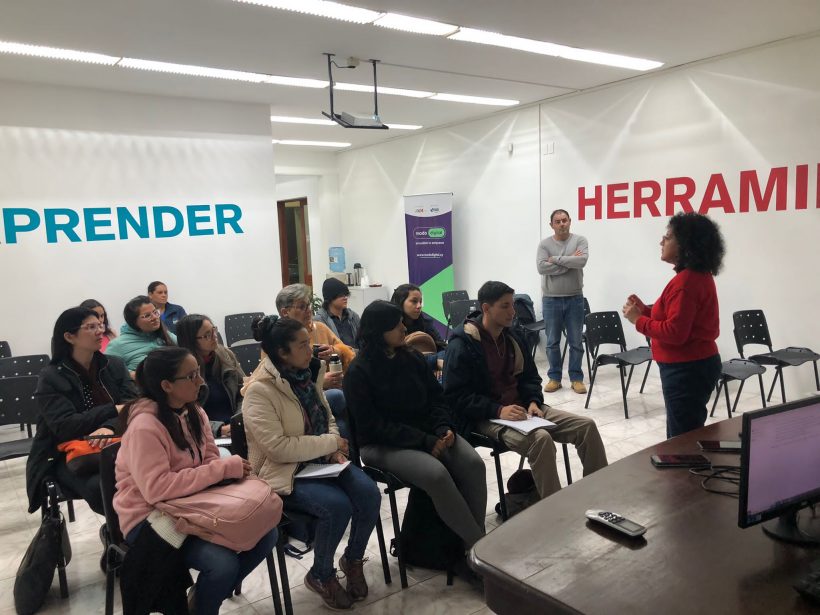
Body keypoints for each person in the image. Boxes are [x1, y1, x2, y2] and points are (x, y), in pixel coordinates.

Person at [114, 347, 277, 615]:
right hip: (152, 518)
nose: (200, 381)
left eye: (198, 372)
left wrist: (222, 471)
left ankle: (203, 601)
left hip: (193, 503)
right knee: (222, 564)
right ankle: (205, 606)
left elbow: (211, 458)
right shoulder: (145, 426)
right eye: (191, 376)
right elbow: (157, 489)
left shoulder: (195, 412)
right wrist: (221, 470)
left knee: (267, 531)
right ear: (166, 385)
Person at [242, 316, 380, 611]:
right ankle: (321, 574)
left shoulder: (308, 374)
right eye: (303, 345)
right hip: (284, 472)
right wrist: (331, 443)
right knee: (336, 506)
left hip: (321, 462)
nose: (312, 349)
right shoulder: (259, 391)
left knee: (368, 493)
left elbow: (327, 417)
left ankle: (353, 559)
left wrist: (333, 448)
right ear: (282, 353)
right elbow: (278, 449)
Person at [344, 301, 487, 563]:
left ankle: (471, 546)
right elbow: (372, 426)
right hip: (382, 444)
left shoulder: (411, 358)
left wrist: (443, 427)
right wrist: (424, 441)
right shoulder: (358, 371)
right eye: (396, 324)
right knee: (436, 474)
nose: (404, 328)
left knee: (473, 464)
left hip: (426, 433)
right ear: (378, 331)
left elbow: (437, 399)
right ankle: (480, 549)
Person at [444, 281, 608, 500]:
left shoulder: (513, 336)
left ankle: (600, 495)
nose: (513, 312)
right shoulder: (462, 344)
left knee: (586, 427)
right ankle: (556, 512)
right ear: (486, 308)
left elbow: (530, 377)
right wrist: (498, 410)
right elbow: (455, 397)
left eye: (512, 305)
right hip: (486, 416)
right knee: (541, 440)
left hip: (524, 409)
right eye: (505, 306)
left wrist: (532, 401)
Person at [26, 306, 137, 515]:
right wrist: (112, 409)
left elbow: (133, 407)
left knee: (144, 476)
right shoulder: (51, 377)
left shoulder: (113, 365)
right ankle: (119, 532)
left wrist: (109, 427)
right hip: (70, 453)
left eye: (100, 325)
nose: (100, 331)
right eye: (91, 327)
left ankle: (134, 529)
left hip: (117, 442)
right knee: (103, 487)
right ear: (69, 336)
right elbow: (66, 426)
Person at [622, 212, 725, 438]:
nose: (661, 241)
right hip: (695, 366)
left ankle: (683, 464)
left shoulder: (685, 282)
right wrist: (645, 311)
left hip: (686, 370)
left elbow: (675, 333)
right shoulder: (696, 276)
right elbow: (676, 319)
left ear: (685, 245)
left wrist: (638, 320)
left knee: (681, 440)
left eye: (668, 237)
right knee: (688, 433)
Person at [275, 283, 354, 440]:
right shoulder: (276, 339)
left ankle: (347, 448)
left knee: (345, 411)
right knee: (337, 398)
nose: (309, 310)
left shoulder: (319, 328)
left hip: (333, 388)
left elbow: (347, 351)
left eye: (309, 305)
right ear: (285, 312)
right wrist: (319, 382)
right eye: (302, 307)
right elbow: (277, 381)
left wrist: (334, 350)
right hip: (299, 397)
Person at [536, 209, 589, 394]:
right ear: (551, 225)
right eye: (557, 221)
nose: (561, 224)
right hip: (551, 300)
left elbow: (581, 261)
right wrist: (568, 263)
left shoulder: (580, 240)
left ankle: (576, 378)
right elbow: (541, 267)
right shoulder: (544, 244)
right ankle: (554, 378)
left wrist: (556, 260)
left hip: (575, 298)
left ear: (570, 221)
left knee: (576, 342)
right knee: (552, 342)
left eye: (564, 220)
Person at [176, 314, 245, 439]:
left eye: (214, 330)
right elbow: (184, 414)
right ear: (191, 341)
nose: (215, 336)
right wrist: (218, 429)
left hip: (236, 425)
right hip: (205, 433)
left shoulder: (225, 354)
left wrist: (238, 420)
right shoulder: (181, 369)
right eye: (207, 335)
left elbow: (244, 391)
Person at [105, 295, 177, 374]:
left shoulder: (165, 334)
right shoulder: (117, 345)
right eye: (147, 316)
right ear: (133, 322)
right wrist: (130, 374)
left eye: (155, 312)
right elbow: (106, 371)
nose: (154, 317)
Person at [390, 283, 446, 352]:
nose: (419, 306)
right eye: (414, 301)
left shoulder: (426, 323)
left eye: (420, 302)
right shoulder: (391, 327)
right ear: (400, 302)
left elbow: (443, 348)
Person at [313, 278, 361, 349]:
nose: (345, 298)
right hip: (335, 355)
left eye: (346, 294)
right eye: (341, 295)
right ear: (330, 297)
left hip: (357, 355)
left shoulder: (353, 316)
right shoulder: (320, 320)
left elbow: (362, 340)